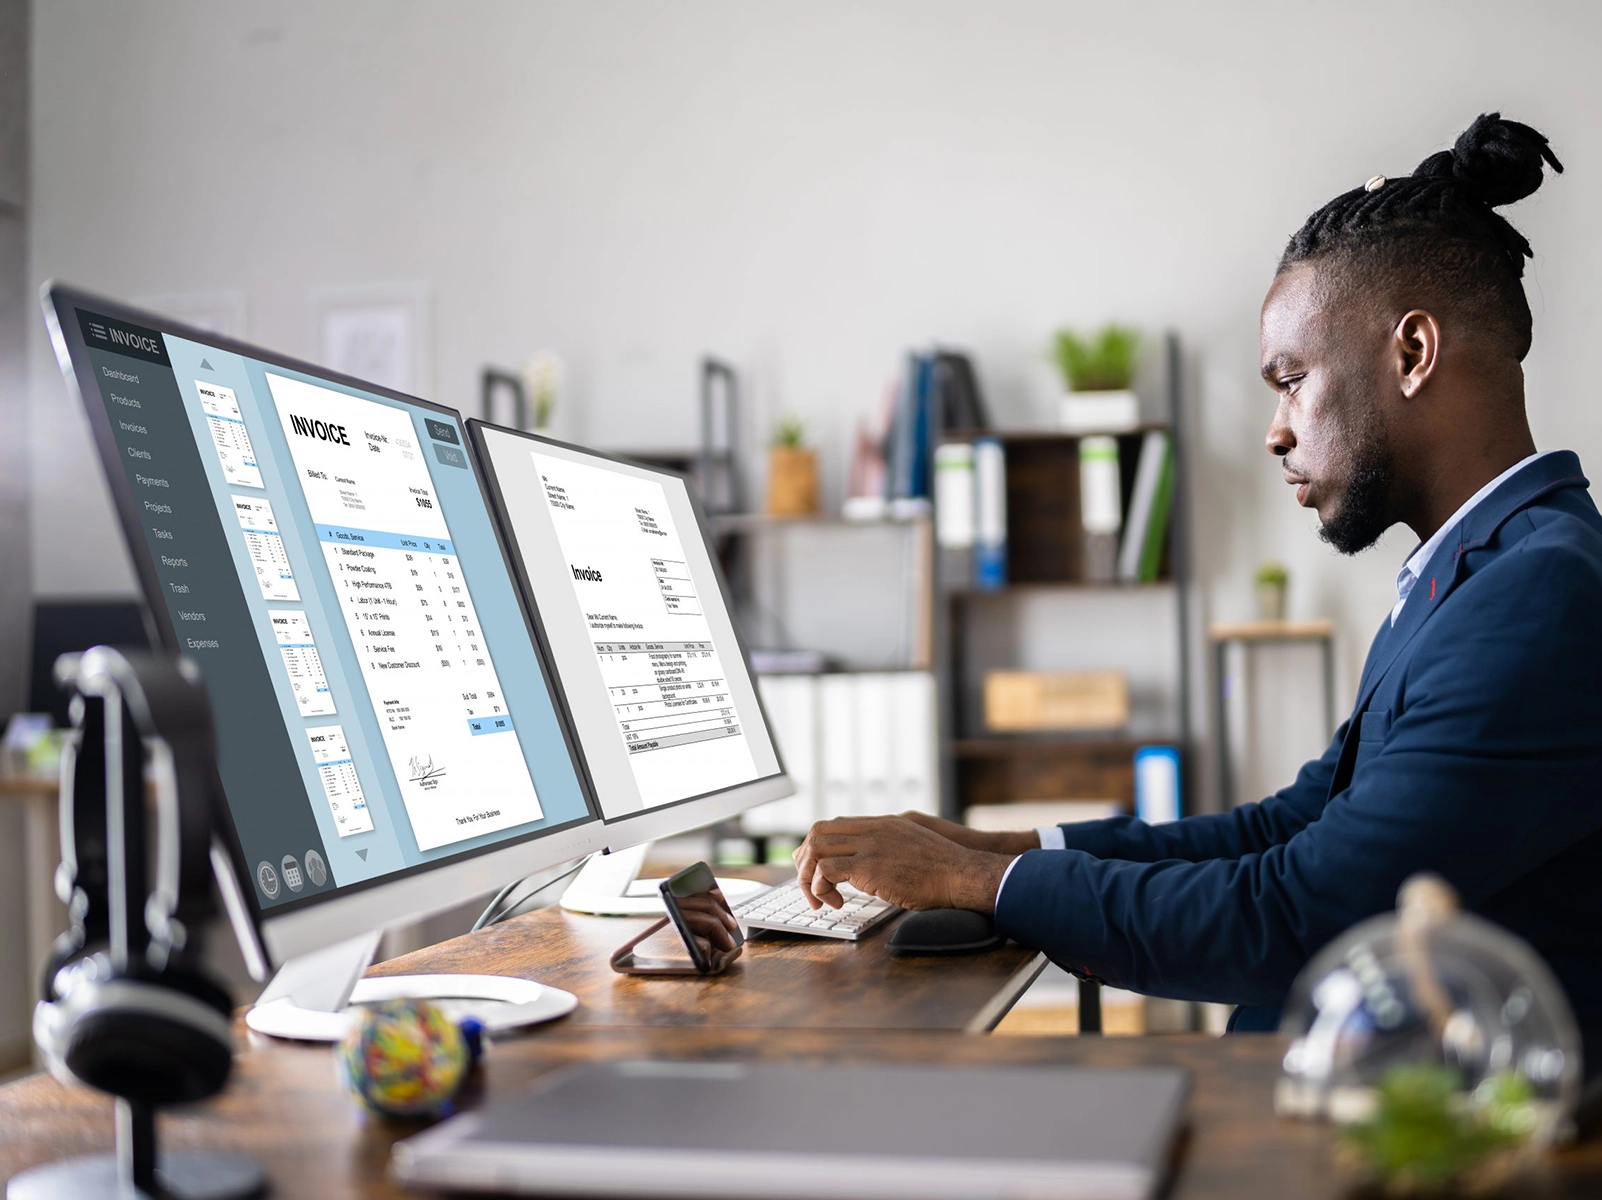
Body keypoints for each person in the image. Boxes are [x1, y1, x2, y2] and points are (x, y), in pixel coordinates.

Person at [793, 113, 1602, 1040]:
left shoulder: (1539, 595)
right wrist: (999, 846)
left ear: (1412, 354)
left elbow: (1303, 917)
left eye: (1291, 378)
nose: (1275, 431)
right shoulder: (1474, 571)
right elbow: (1292, 826)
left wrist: (976, 884)